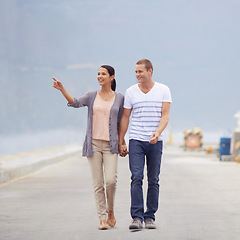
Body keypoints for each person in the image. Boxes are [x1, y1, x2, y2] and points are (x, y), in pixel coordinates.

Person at [52, 65, 124, 230]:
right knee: (98, 183)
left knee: (111, 181)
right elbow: (75, 103)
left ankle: (111, 210)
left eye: (103, 74)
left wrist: (122, 142)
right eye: (98, 74)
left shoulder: (119, 98)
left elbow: (121, 123)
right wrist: (62, 89)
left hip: (110, 145)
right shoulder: (92, 96)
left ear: (111, 77)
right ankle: (102, 219)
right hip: (93, 144)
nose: (100, 76)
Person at [118, 59, 172, 230]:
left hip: (155, 141)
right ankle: (137, 217)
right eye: (135, 72)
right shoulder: (131, 92)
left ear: (150, 71)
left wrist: (158, 132)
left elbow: (165, 115)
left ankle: (150, 217)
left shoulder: (163, 90)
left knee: (153, 179)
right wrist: (122, 140)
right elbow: (125, 117)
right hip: (136, 140)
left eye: (140, 71)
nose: (137, 75)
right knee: (136, 177)